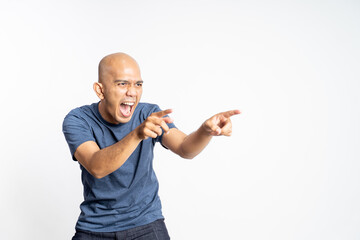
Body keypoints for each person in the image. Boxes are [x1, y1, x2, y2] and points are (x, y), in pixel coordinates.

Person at [63, 52, 240, 240]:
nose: (132, 92)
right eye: (122, 84)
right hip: (95, 227)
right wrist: (137, 134)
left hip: (146, 224)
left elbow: (184, 148)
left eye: (138, 84)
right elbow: (97, 167)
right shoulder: (78, 120)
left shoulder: (149, 114)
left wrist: (205, 131)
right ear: (100, 90)